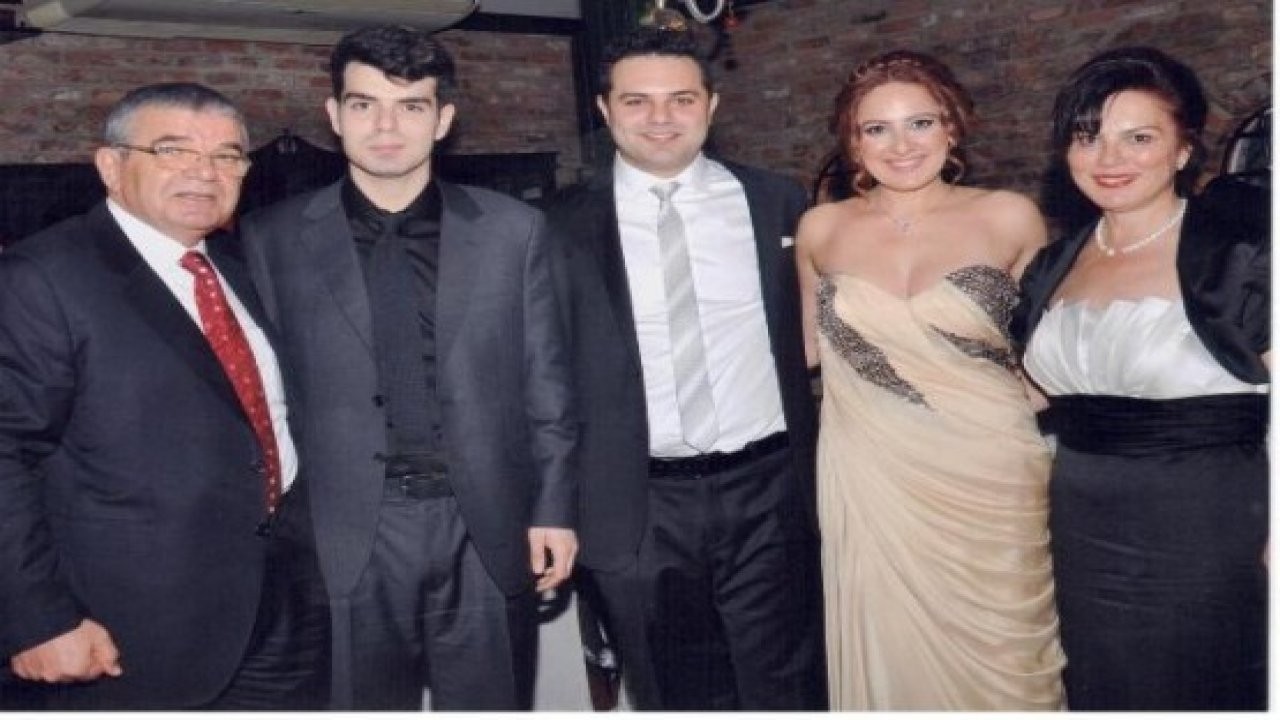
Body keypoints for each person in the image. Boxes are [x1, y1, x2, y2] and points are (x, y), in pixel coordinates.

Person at [238, 25, 577, 711]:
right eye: (364, 104)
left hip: (485, 521)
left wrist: (554, 510)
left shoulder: (513, 230)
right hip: (344, 531)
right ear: (334, 116)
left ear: (443, 119)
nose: (386, 127)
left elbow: (547, 382)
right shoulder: (271, 237)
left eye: (411, 106)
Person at [0, 82, 328, 710]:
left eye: (227, 156)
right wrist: (38, 619)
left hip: (281, 607)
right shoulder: (43, 278)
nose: (205, 172)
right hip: (128, 629)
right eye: (173, 150)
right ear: (110, 165)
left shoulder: (238, 268)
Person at [545, 28, 826, 711]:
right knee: (678, 695)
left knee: (790, 687)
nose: (661, 118)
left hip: (770, 491)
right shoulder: (554, 228)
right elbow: (540, 378)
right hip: (636, 504)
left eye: (681, 99)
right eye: (636, 101)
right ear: (605, 110)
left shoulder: (777, 203)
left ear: (712, 105)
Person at [795, 50, 1065, 710]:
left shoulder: (1009, 215)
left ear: (952, 128)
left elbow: (1053, 349)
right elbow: (802, 351)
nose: (902, 145)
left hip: (991, 470)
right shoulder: (821, 228)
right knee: (890, 650)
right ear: (853, 143)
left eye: (920, 122)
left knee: (1007, 658)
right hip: (872, 475)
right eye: (877, 129)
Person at [1014, 46, 1268, 711]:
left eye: (1139, 137)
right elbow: (1028, 399)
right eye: (1088, 136)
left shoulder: (1241, 251)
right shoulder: (1052, 264)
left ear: (1183, 150)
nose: (1109, 158)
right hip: (1080, 524)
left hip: (1207, 523)